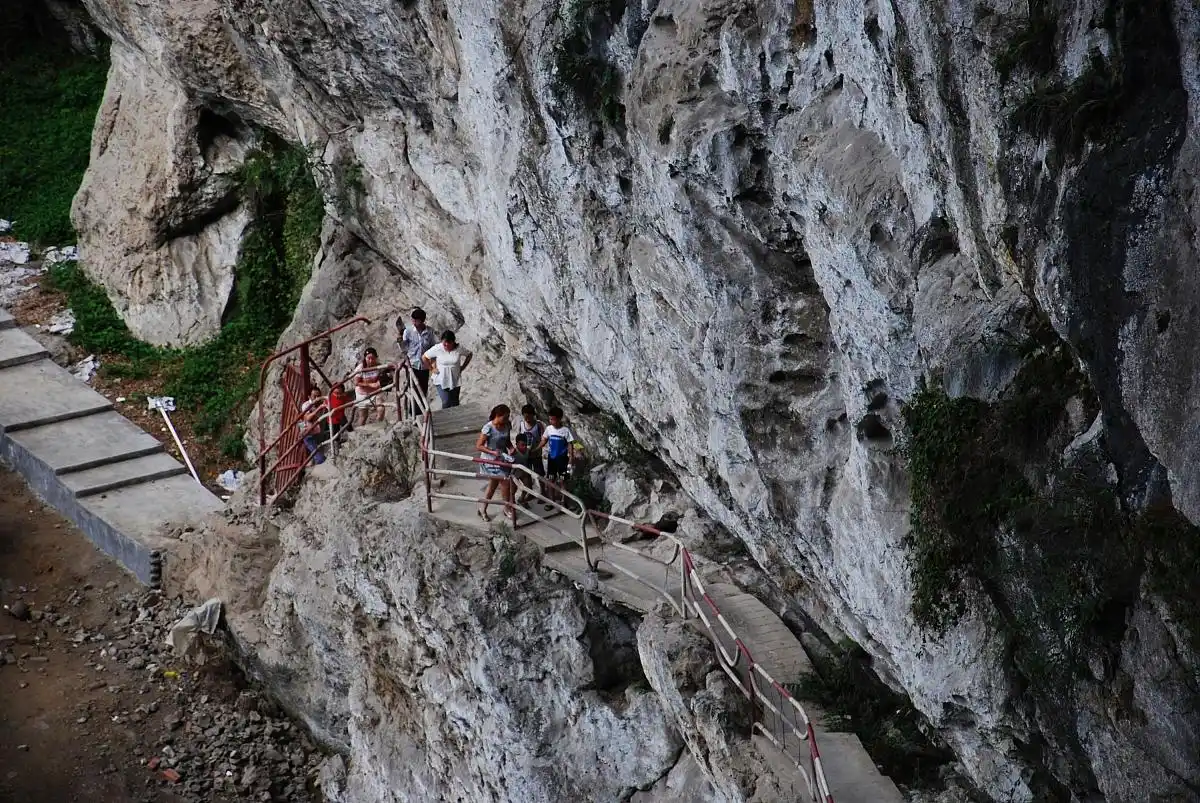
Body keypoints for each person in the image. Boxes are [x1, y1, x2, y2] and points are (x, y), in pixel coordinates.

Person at [476, 404, 513, 522]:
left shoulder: (507, 425)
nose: (507, 419)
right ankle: (506, 507)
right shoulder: (488, 428)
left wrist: (511, 448)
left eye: (508, 417)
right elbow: (479, 446)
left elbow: (507, 441)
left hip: (503, 459)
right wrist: (492, 452)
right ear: (498, 415)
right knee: (505, 482)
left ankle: (483, 508)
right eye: (505, 417)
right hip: (490, 460)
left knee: (493, 485)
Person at [422, 330, 472, 409]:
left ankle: (456, 416)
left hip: (455, 379)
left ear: (453, 342)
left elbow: (469, 354)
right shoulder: (438, 348)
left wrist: (463, 367)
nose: (446, 345)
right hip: (441, 379)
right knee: (446, 401)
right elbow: (424, 357)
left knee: (455, 402)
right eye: (444, 343)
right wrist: (431, 369)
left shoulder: (459, 348)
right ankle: (445, 416)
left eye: (448, 343)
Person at [539, 406, 577, 506]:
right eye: (550, 419)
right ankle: (551, 501)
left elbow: (570, 444)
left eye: (553, 419)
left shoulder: (565, 430)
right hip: (552, 459)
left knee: (563, 481)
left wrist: (571, 457)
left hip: (563, 460)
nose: (551, 421)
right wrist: (536, 448)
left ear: (559, 419)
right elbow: (544, 440)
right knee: (551, 480)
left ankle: (564, 501)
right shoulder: (549, 429)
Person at [399, 308, 437, 400]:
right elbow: (404, 348)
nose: (414, 322)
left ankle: (422, 408)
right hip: (412, 365)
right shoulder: (408, 331)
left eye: (416, 320)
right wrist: (401, 343)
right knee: (413, 390)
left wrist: (433, 365)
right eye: (412, 320)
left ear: (422, 320)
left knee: (423, 390)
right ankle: (413, 408)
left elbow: (432, 347)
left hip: (424, 366)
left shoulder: (430, 332)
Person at [514, 404, 546, 500]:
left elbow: (544, 439)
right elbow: (519, 438)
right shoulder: (522, 425)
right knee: (526, 475)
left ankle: (543, 493)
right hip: (525, 456)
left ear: (533, 415)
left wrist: (537, 449)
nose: (527, 419)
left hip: (536, 455)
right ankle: (529, 492)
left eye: (529, 416)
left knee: (539, 474)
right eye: (525, 417)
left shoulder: (538, 425)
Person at [354, 347, 385, 425]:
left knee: (381, 409)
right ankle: (360, 430)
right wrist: (370, 385)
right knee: (363, 416)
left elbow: (385, 374)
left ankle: (378, 425)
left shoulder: (379, 366)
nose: (371, 361)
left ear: (376, 358)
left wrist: (380, 381)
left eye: (373, 358)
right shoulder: (360, 368)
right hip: (362, 393)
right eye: (369, 358)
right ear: (365, 358)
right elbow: (356, 382)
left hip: (375, 392)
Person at [299, 387, 328, 465]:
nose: (317, 398)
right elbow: (307, 418)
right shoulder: (306, 405)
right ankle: (318, 461)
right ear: (309, 397)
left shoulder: (321, 402)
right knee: (318, 456)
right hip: (307, 431)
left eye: (318, 396)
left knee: (315, 447)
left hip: (317, 430)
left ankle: (312, 460)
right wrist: (319, 408)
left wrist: (322, 399)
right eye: (314, 396)